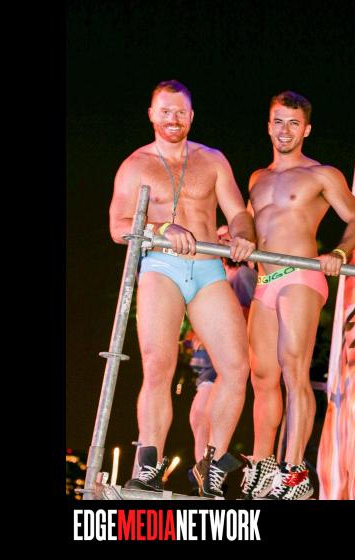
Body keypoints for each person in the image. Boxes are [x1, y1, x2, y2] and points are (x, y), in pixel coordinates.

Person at [109, 80, 256, 498]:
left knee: (237, 367)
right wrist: (160, 228)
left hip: (207, 267)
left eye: (180, 111)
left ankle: (213, 464)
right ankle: (148, 465)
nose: (173, 118)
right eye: (165, 111)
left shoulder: (212, 159)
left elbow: (238, 211)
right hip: (162, 266)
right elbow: (118, 227)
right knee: (158, 363)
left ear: (191, 116)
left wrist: (243, 235)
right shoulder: (135, 165)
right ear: (151, 115)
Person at [241, 91, 355, 500]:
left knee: (292, 369)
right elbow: (249, 222)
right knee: (262, 376)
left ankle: (293, 470)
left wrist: (339, 253)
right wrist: (235, 236)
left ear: (306, 130)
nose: (285, 130)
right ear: (268, 125)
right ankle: (263, 463)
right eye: (279, 121)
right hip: (265, 279)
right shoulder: (257, 178)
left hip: (301, 274)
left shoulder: (322, 174)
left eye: (293, 123)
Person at [185, 226, 257, 494]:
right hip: (207, 358)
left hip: (225, 351)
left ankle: (210, 473)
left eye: (227, 237)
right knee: (198, 415)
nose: (221, 240)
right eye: (218, 237)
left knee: (206, 412)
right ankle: (203, 473)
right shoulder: (211, 275)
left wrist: (219, 322)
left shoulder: (242, 275)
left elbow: (255, 314)